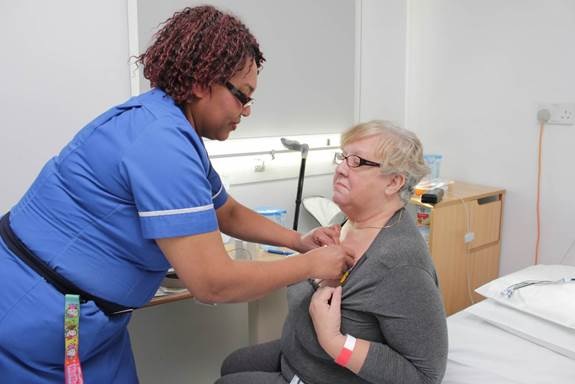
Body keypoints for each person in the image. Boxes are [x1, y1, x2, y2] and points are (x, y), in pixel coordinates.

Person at [0, 6, 354, 383]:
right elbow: (211, 282)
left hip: (98, 321)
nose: (247, 111)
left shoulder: (172, 127)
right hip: (45, 318)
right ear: (202, 82)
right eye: (241, 96)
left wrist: (299, 241)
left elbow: (226, 212)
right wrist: (312, 265)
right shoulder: (160, 142)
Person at [217, 120, 448, 384]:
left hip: (320, 374)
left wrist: (335, 342)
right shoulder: (346, 221)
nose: (340, 169)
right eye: (343, 157)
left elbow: (426, 377)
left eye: (357, 162)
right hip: (300, 355)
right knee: (231, 364)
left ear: (394, 182)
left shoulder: (401, 265)